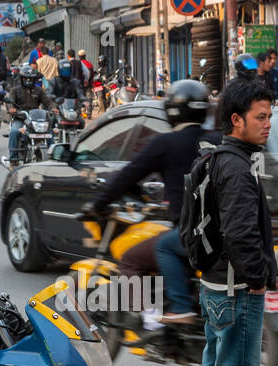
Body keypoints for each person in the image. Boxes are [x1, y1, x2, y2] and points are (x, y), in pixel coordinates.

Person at [198, 78, 278, 366]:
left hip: (215, 282)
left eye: (270, 116)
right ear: (236, 120)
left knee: (216, 363)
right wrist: (258, 278)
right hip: (236, 287)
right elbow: (241, 231)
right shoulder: (236, 168)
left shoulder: (219, 158)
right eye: (260, 117)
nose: (267, 124)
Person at [91, 79, 215, 324]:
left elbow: (128, 175)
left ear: (172, 110)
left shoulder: (166, 143)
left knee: (134, 257)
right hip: (223, 230)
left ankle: (154, 319)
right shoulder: (217, 139)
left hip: (195, 234)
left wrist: (98, 204)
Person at [2, 65, 54, 167]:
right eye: (26, 78)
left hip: (35, 119)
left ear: (34, 79)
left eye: (30, 78)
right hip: (21, 118)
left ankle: (53, 157)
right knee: (14, 132)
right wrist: (11, 108)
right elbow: (9, 102)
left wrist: (53, 108)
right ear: (22, 78)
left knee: (50, 132)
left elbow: (48, 102)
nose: (28, 80)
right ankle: (13, 159)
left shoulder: (39, 90)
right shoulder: (15, 90)